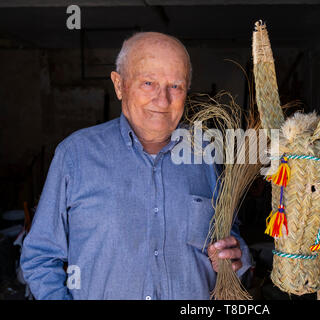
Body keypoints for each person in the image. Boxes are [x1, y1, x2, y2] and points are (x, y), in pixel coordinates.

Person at [20, 32, 251, 300]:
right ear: (119, 85)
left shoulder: (206, 156)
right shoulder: (75, 155)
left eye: (175, 86)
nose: (163, 100)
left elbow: (232, 244)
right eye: (149, 83)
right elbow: (39, 256)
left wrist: (236, 258)